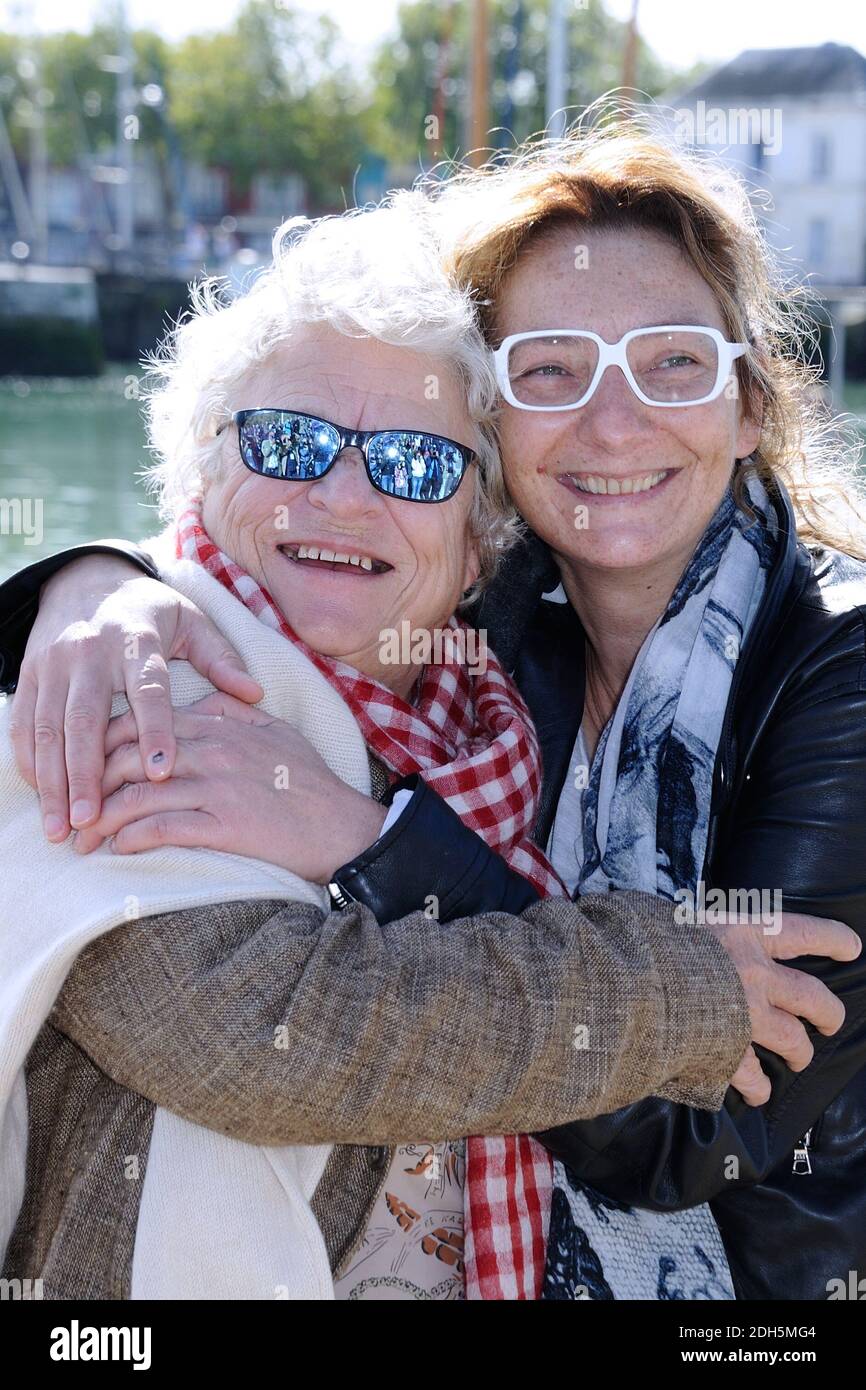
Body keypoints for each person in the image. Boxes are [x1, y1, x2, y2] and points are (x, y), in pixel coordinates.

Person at [2, 123, 865, 1300]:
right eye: (551, 369)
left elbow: (683, 1134)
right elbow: (259, 1033)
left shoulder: (818, 671)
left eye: (670, 363)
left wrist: (376, 844)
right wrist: (84, 582)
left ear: (747, 402)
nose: (612, 425)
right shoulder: (164, 683)